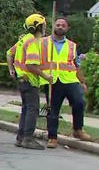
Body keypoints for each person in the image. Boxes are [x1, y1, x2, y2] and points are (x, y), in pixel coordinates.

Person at [41, 17, 92, 148]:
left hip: (69, 80)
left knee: (79, 102)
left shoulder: (71, 45)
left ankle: (78, 130)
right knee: (53, 109)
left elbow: (77, 65)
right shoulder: (44, 43)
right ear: (53, 26)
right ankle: (52, 137)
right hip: (52, 80)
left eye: (63, 25)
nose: (60, 27)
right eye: (58, 24)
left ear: (67, 28)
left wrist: (83, 82)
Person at [6, 13, 53, 150]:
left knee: (26, 109)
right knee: (32, 109)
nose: (45, 28)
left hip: (22, 81)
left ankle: (20, 138)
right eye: (43, 25)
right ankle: (27, 138)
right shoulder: (32, 42)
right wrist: (46, 77)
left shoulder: (24, 39)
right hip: (30, 81)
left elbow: (9, 53)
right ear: (38, 26)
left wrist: (11, 70)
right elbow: (31, 66)